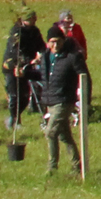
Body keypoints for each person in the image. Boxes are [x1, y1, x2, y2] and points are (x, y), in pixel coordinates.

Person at [38, 28, 86, 173]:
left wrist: (82, 97)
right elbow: (42, 77)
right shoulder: (46, 57)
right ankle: (76, 166)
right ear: (48, 43)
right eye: (52, 42)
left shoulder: (72, 57)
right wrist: (24, 72)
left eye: (58, 41)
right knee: (65, 136)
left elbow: (84, 77)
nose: (55, 45)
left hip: (64, 101)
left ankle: (52, 168)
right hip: (50, 101)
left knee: (50, 132)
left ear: (64, 41)